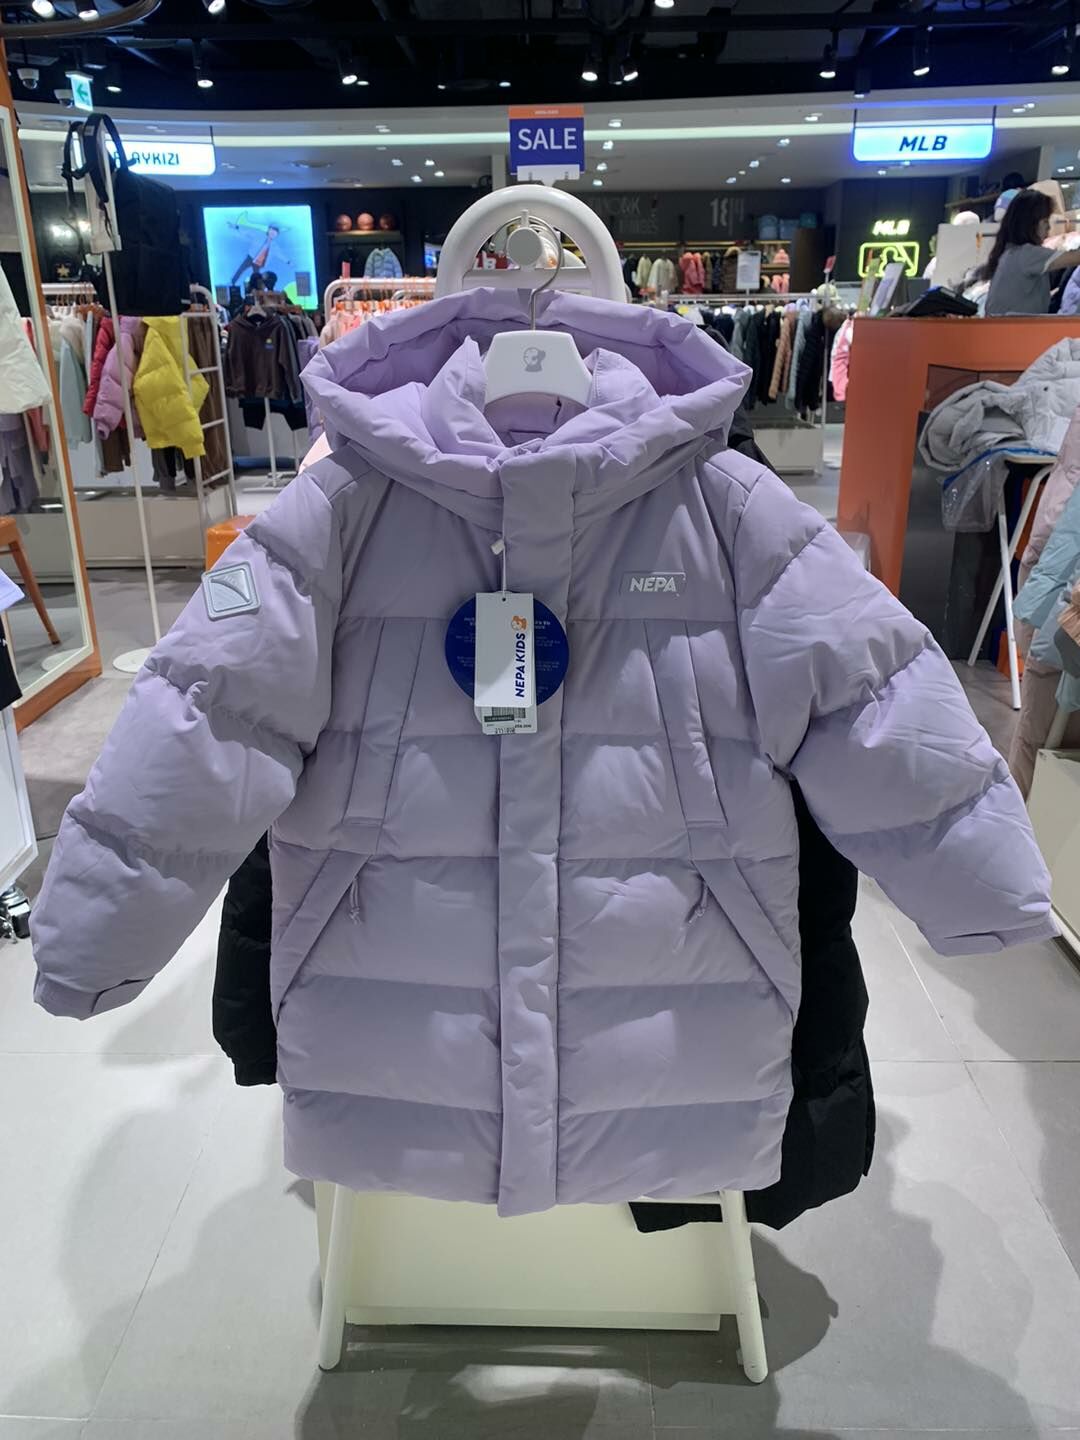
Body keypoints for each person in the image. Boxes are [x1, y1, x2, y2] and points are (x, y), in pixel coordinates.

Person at [983, 188, 1080, 316]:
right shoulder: (1027, 255)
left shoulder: (1009, 253)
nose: (1049, 227)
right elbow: (1075, 257)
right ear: (1030, 223)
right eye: (1045, 221)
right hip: (1014, 327)